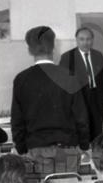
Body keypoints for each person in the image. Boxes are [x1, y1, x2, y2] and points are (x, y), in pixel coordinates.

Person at [11, 26, 90, 174]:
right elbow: (81, 117)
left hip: (35, 149)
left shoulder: (21, 80)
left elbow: (17, 121)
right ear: (53, 47)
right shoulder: (69, 77)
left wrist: (21, 149)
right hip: (68, 148)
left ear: (30, 50)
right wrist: (84, 145)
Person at [60, 27, 103, 141]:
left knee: (97, 136)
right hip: (78, 104)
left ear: (92, 40)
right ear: (76, 40)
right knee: (81, 137)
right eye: (82, 39)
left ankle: (95, 153)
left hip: (97, 103)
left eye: (88, 39)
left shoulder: (98, 55)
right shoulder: (67, 57)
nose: (85, 42)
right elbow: (63, 86)